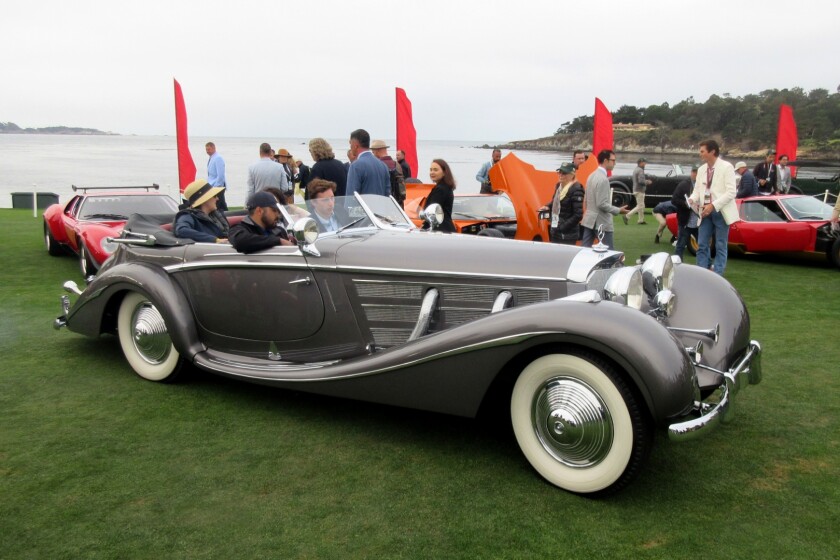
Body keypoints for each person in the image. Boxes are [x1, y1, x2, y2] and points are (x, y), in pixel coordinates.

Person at [690, 139, 739, 275]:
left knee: (720, 245)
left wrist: (713, 205)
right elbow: (697, 190)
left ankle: (718, 275)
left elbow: (731, 192)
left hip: (721, 211)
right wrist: (692, 199)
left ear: (712, 152)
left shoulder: (727, 167)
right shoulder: (701, 170)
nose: (700, 154)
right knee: (702, 244)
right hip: (704, 212)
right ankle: (702, 273)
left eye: (702, 151)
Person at [580, 150, 629, 249]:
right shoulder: (603, 179)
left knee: (584, 251)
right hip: (601, 222)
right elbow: (601, 204)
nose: (615, 163)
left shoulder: (591, 176)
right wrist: (618, 210)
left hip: (589, 220)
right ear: (606, 160)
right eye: (613, 160)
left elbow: (586, 199)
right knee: (609, 252)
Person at [229, 191, 294, 254]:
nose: (278, 215)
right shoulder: (237, 229)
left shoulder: (279, 231)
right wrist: (278, 241)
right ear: (259, 211)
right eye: (274, 210)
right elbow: (241, 242)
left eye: (278, 211)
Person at [539, 162, 584, 245]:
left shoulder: (576, 189)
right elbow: (555, 201)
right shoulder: (559, 186)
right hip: (555, 229)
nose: (561, 175)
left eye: (564, 173)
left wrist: (562, 227)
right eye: (559, 172)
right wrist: (547, 206)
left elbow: (578, 215)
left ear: (572, 175)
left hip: (567, 235)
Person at [174, 178, 229, 243]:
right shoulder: (188, 216)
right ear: (205, 199)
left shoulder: (216, 215)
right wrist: (215, 240)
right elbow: (181, 231)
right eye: (214, 196)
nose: (217, 198)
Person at [346, 129, 390, 198]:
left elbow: (351, 197)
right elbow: (387, 195)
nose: (350, 147)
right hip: (380, 207)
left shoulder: (356, 166)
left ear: (355, 145)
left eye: (350, 143)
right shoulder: (383, 166)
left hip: (363, 208)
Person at [672, 165, 699, 259]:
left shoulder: (704, 185)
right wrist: (686, 204)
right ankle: (677, 266)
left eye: (697, 172)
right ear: (691, 172)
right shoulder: (683, 185)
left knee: (703, 246)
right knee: (680, 245)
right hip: (685, 222)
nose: (695, 174)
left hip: (699, 221)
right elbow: (674, 200)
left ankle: (706, 267)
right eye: (694, 172)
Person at [371, 139, 406, 207]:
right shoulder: (397, 165)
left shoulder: (377, 165)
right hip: (398, 204)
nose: (373, 155)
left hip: (382, 204)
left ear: (377, 151)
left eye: (373, 152)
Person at [425, 159, 457, 233]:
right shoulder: (446, 187)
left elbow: (432, 213)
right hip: (445, 228)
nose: (432, 172)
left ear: (444, 172)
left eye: (435, 170)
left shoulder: (441, 189)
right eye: (431, 170)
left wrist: (423, 228)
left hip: (441, 230)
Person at [625, 158, 653, 224]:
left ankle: (641, 220)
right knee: (640, 206)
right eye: (644, 162)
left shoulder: (636, 169)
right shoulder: (640, 170)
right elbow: (641, 181)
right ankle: (627, 216)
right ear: (641, 163)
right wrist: (647, 182)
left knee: (640, 205)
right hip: (639, 190)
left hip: (635, 189)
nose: (645, 164)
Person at [205, 141, 227, 211]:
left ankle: (227, 218)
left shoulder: (218, 158)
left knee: (220, 206)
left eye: (209, 149)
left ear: (214, 148)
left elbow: (220, 175)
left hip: (218, 187)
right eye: (206, 150)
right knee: (219, 206)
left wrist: (217, 187)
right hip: (213, 186)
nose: (207, 151)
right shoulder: (212, 158)